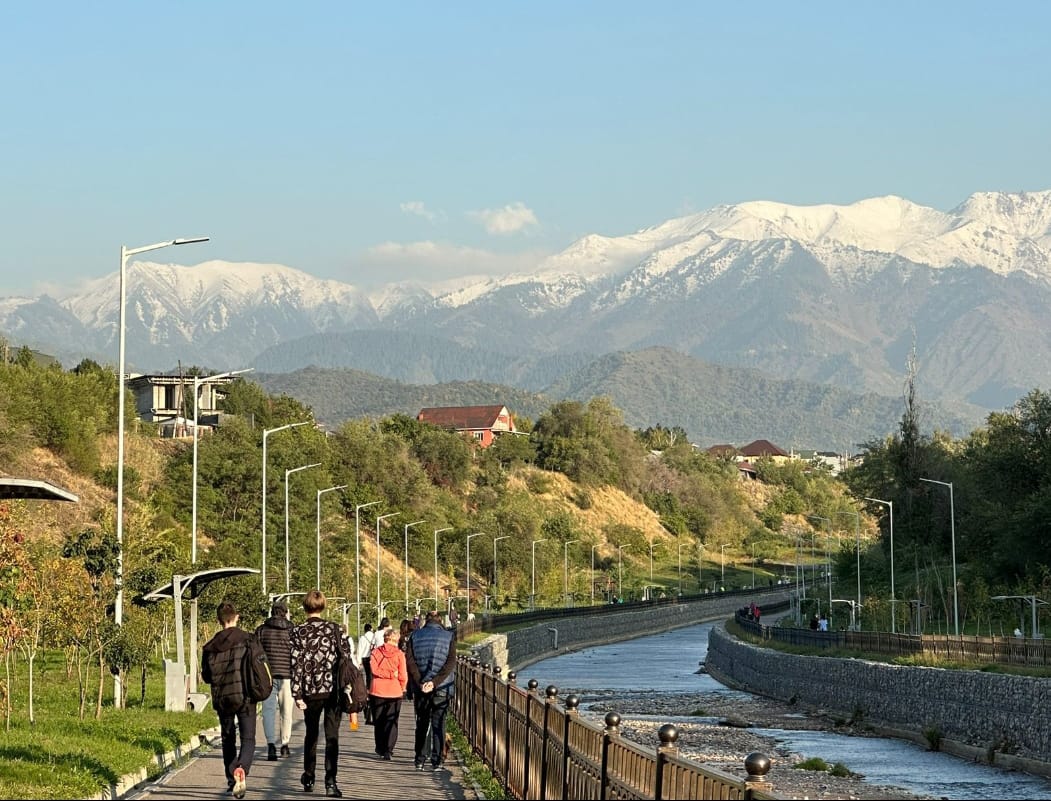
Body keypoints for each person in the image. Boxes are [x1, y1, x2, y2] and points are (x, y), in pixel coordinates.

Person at [291, 590, 353, 798]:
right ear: (323, 606)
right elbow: (346, 659)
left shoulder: (298, 632)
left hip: (310, 691)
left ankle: (309, 775)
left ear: (305, 607)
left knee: (311, 734)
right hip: (333, 691)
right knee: (332, 736)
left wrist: (297, 694)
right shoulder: (335, 630)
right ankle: (331, 782)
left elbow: (296, 665)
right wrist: (346, 688)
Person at [201, 600, 256, 799]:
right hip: (246, 696)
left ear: (219, 621)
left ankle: (232, 778)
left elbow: (206, 676)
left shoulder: (210, 646)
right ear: (237, 617)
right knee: (248, 738)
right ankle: (242, 767)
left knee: (228, 737)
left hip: (223, 697)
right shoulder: (249, 640)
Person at [406, 609, 456, 772]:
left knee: (422, 723)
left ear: (426, 621)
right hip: (441, 687)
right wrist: (434, 682)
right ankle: (437, 760)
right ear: (440, 621)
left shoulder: (414, 636)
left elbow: (410, 662)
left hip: (421, 688)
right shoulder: (448, 637)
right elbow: (449, 664)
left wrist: (422, 681)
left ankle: (419, 758)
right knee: (438, 723)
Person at [255, 599, 294, 761]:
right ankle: (285, 745)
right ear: (285, 613)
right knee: (286, 713)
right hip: (287, 676)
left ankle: (271, 745)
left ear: (272, 612)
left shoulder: (262, 630)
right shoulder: (292, 630)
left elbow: (256, 654)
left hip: (268, 677)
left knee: (268, 711)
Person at [368, 626, 408, 760]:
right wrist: (399, 683)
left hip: (377, 691)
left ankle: (380, 747)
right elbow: (403, 675)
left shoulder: (375, 652)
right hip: (394, 691)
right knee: (392, 721)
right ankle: (388, 749)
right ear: (396, 640)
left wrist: (384, 674)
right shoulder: (400, 654)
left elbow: (374, 670)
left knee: (379, 720)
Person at [356, 623, 375, 724]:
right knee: (371, 679)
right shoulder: (374, 636)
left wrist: (358, 662)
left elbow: (359, 650)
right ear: (371, 629)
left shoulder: (362, 638)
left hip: (364, 660)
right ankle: (370, 690)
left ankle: (365, 695)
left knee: (364, 680)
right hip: (372, 659)